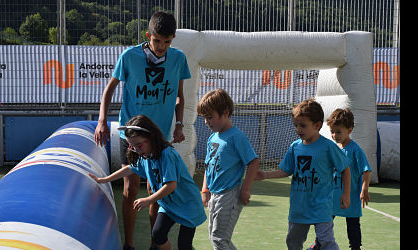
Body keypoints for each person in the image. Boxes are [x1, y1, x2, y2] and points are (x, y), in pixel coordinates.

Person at [93, 11, 190, 250]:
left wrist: (179, 124)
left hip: (159, 137)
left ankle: (155, 244)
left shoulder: (178, 59)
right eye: (157, 40)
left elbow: (180, 98)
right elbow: (109, 89)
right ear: (149, 36)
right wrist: (102, 120)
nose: (161, 46)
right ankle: (128, 244)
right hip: (132, 133)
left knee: (155, 190)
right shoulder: (130, 56)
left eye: (167, 42)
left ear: (173, 39)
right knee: (130, 187)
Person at [89, 115, 206, 250]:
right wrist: (104, 180)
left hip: (187, 205)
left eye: (139, 145)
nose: (137, 150)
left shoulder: (167, 155)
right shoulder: (146, 156)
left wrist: (149, 200)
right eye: (132, 147)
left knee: (184, 246)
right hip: (169, 206)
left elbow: (171, 185)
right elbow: (129, 169)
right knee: (157, 235)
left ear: (151, 137)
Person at [255, 98, 351, 250]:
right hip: (299, 207)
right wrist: (265, 175)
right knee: (293, 242)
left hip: (321, 206)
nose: (298, 129)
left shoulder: (328, 147)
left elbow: (345, 168)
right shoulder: (295, 147)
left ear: (317, 125)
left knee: (326, 242)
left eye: (303, 125)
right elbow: (286, 170)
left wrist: (346, 194)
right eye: (296, 125)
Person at [197, 88, 260, 250]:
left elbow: (253, 162)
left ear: (225, 112)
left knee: (219, 238)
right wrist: (205, 190)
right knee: (215, 236)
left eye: (210, 117)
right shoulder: (213, 138)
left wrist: (245, 190)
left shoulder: (236, 137)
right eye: (204, 118)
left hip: (229, 195)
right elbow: (208, 165)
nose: (206, 122)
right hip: (215, 196)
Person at [309, 108, 372, 250]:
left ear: (349, 130)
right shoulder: (333, 147)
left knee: (353, 224)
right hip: (332, 195)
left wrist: (364, 189)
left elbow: (366, 170)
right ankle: (318, 244)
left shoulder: (355, 150)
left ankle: (355, 247)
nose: (334, 135)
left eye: (338, 132)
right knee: (325, 220)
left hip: (350, 196)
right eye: (332, 131)